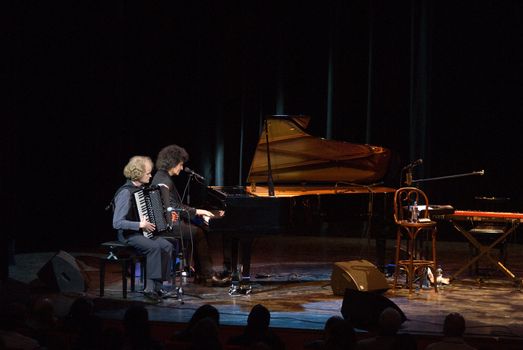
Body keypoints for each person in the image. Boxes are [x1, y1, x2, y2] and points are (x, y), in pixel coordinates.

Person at [151, 144, 228, 286]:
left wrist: (196, 212)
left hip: (165, 222)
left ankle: (202, 274)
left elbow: (174, 205)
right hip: (165, 226)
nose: (181, 168)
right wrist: (199, 211)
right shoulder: (164, 181)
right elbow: (174, 206)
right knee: (197, 233)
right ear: (173, 164)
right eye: (180, 165)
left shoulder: (161, 176)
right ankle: (208, 276)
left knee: (198, 229)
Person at [112, 155, 174, 302]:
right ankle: (149, 289)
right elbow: (117, 223)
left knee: (166, 245)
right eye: (148, 173)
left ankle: (158, 287)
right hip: (128, 235)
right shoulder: (125, 193)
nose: (151, 175)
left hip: (140, 234)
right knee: (153, 247)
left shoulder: (141, 190)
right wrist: (140, 224)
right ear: (138, 174)